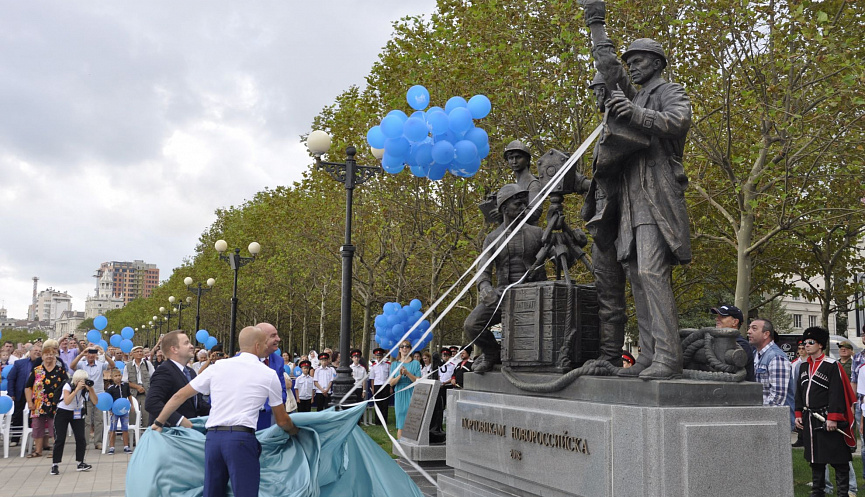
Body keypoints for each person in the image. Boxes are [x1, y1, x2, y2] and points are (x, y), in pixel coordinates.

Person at [581, 1, 692, 380]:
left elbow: (678, 121)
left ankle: (669, 357)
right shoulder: (634, 94)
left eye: (640, 59)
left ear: (658, 62)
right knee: (636, 275)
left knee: (652, 272)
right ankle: (649, 354)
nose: (633, 65)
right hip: (628, 201)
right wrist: (595, 23)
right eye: (631, 60)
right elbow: (609, 68)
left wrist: (635, 114)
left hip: (655, 198)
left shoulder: (667, 92)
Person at [150, 326, 299, 497]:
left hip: (213, 439)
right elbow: (282, 420)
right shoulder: (268, 374)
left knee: (212, 493)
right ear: (258, 346)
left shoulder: (217, 367)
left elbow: (179, 396)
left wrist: (159, 422)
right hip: (241, 439)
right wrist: (295, 431)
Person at [464, 183, 546, 373]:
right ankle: (492, 353)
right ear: (504, 208)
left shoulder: (537, 233)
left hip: (532, 293)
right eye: (517, 204)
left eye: (524, 203)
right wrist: (485, 288)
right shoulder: (492, 238)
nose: (523, 207)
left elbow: (560, 261)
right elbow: (483, 269)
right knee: (471, 325)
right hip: (503, 295)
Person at [795, 326, 856, 497]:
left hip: (827, 418)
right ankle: (818, 492)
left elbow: (836, 393)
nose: (806, 345)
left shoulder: (831, 365)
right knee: (815, 460)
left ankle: (843, 493)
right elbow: (799, 392)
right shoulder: (802, 367)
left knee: (839, 459)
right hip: (809, 419)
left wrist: (833, 417)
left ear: (820, 345)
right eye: (804, 342)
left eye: (811, 342)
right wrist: (798, 414)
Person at [146, 330, 210, 429]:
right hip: (169, 434)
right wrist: (179, 420)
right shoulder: (164, 371)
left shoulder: (190, 372)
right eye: (186, 343)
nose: (192, 346)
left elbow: (198, 403)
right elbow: (152, 403)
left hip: (186, 434)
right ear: (174, 349)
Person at [24, 339, 66, 458]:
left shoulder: (60, 371)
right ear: (42, 357)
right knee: (37, 427)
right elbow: (28, 387)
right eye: (46, 354)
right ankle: (38, 451)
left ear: (55, 357)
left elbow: (67, 386)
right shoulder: (37, 370)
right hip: (38, 404)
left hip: (55, 404)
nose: (49, 357)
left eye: (51, 354)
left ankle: (55, 451)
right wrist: (29, 401)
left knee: (55, 427)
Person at [51, 369, 98, 475]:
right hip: (63, 412)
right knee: (60, 439)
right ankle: (55, 464)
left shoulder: (86, 387)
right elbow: (67, 401)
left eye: (84, 380)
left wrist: (91, 389)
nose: (82, 383)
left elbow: (95, 401)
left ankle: (80, 462)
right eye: (81, 381)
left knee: (81, 438)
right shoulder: (68, 385)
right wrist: (76, 390)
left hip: (77, 412)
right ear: (76, 380)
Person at [70, 343, 115, 450]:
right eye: (89, 354)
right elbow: (72, 366)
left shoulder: (100, 364)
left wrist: (104, 354)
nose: (91, 356)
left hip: (98, 395)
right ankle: (84, 442)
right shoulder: (82, 364)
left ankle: (98, 441)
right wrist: (81, 354)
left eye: (93, 354)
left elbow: (112, 366)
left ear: (95, 355)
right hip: (84, 395)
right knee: (86, 420)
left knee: (98, 420)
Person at [748, 319, 795, 419]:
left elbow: (777, 399)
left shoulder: (776, 357)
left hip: (774, 421)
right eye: (749, 328)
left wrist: (758, 416)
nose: (749, 331)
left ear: (766, 334)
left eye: (754, 328)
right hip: (762, 419)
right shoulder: (755, 354)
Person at [6, 341, 40, 446]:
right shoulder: (20, 363)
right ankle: (15, 439)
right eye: (36, 351)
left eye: (40, 351)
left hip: (36, 395)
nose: (38, 353)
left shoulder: (42, 364)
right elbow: (11, 378)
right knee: (17, 416)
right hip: (20, 394)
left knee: (33, 418)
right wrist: (11, 393)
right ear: (30, 352)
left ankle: (34, 439)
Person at [255, 322, 287, 430]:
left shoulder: (278, 361)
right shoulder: (239, 360)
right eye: (273, 336)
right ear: (261, 339)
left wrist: (271, 408)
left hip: (270, 416)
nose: (278, 339)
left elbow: (282, 390)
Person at [711, 305, 755, 381]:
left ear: (735, 322)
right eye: (717, 316)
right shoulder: (713, 341)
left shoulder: (742, 345)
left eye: (723, 317)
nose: (717, 319)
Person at [389, 340, 421, 439]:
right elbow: (391, 383)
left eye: (407, 346)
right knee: (401, 420)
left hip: (412, 392)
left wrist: (407, 373)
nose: (404, 348)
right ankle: (400, 448)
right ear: (399, 349)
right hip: (399, 393)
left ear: (410, 349)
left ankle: (411, 445)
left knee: (412, 420)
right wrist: (400, 375)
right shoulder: (394, 364)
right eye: (402, 346)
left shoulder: (415, 363)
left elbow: (418, 380)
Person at [123, 346, 154, 427]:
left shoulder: (148, 364)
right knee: (132, 414)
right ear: (132, 354)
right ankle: (133, 436)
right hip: (132, 394)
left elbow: (153, 377)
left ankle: (145, 434)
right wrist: (137, 387)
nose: (140, 353)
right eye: (137, 351)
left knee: (146, 414)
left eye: (141, 351)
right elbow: (125, 381)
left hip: (146, 393)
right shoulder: (128, 365)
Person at [105, 369, 133, 454]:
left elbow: (129, 395)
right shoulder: (110, 389)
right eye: (115, 376)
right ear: (112, 377)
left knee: (125, 428)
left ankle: (126, 446)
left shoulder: (125, 385)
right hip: (114, 411)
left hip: (124, 410)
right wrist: (110, 410)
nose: (118, 378)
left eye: (119, 375)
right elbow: (108, 400)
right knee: (113, 428)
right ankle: (112, 447)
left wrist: (132, 405)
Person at [369, 348, 391, 424]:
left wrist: (390, 387)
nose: (379, 359)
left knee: (385, 403)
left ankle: (384, 420)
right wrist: (373, 388)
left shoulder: (387, 365)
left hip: (386, 385)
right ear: (375, 357)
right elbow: (372, 378)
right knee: (378, 404)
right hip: (377, 385)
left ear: (382, 356)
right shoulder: (373, 366)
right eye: (377, 357)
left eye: (380, 357)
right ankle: (378, 421)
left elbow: (389, 376)